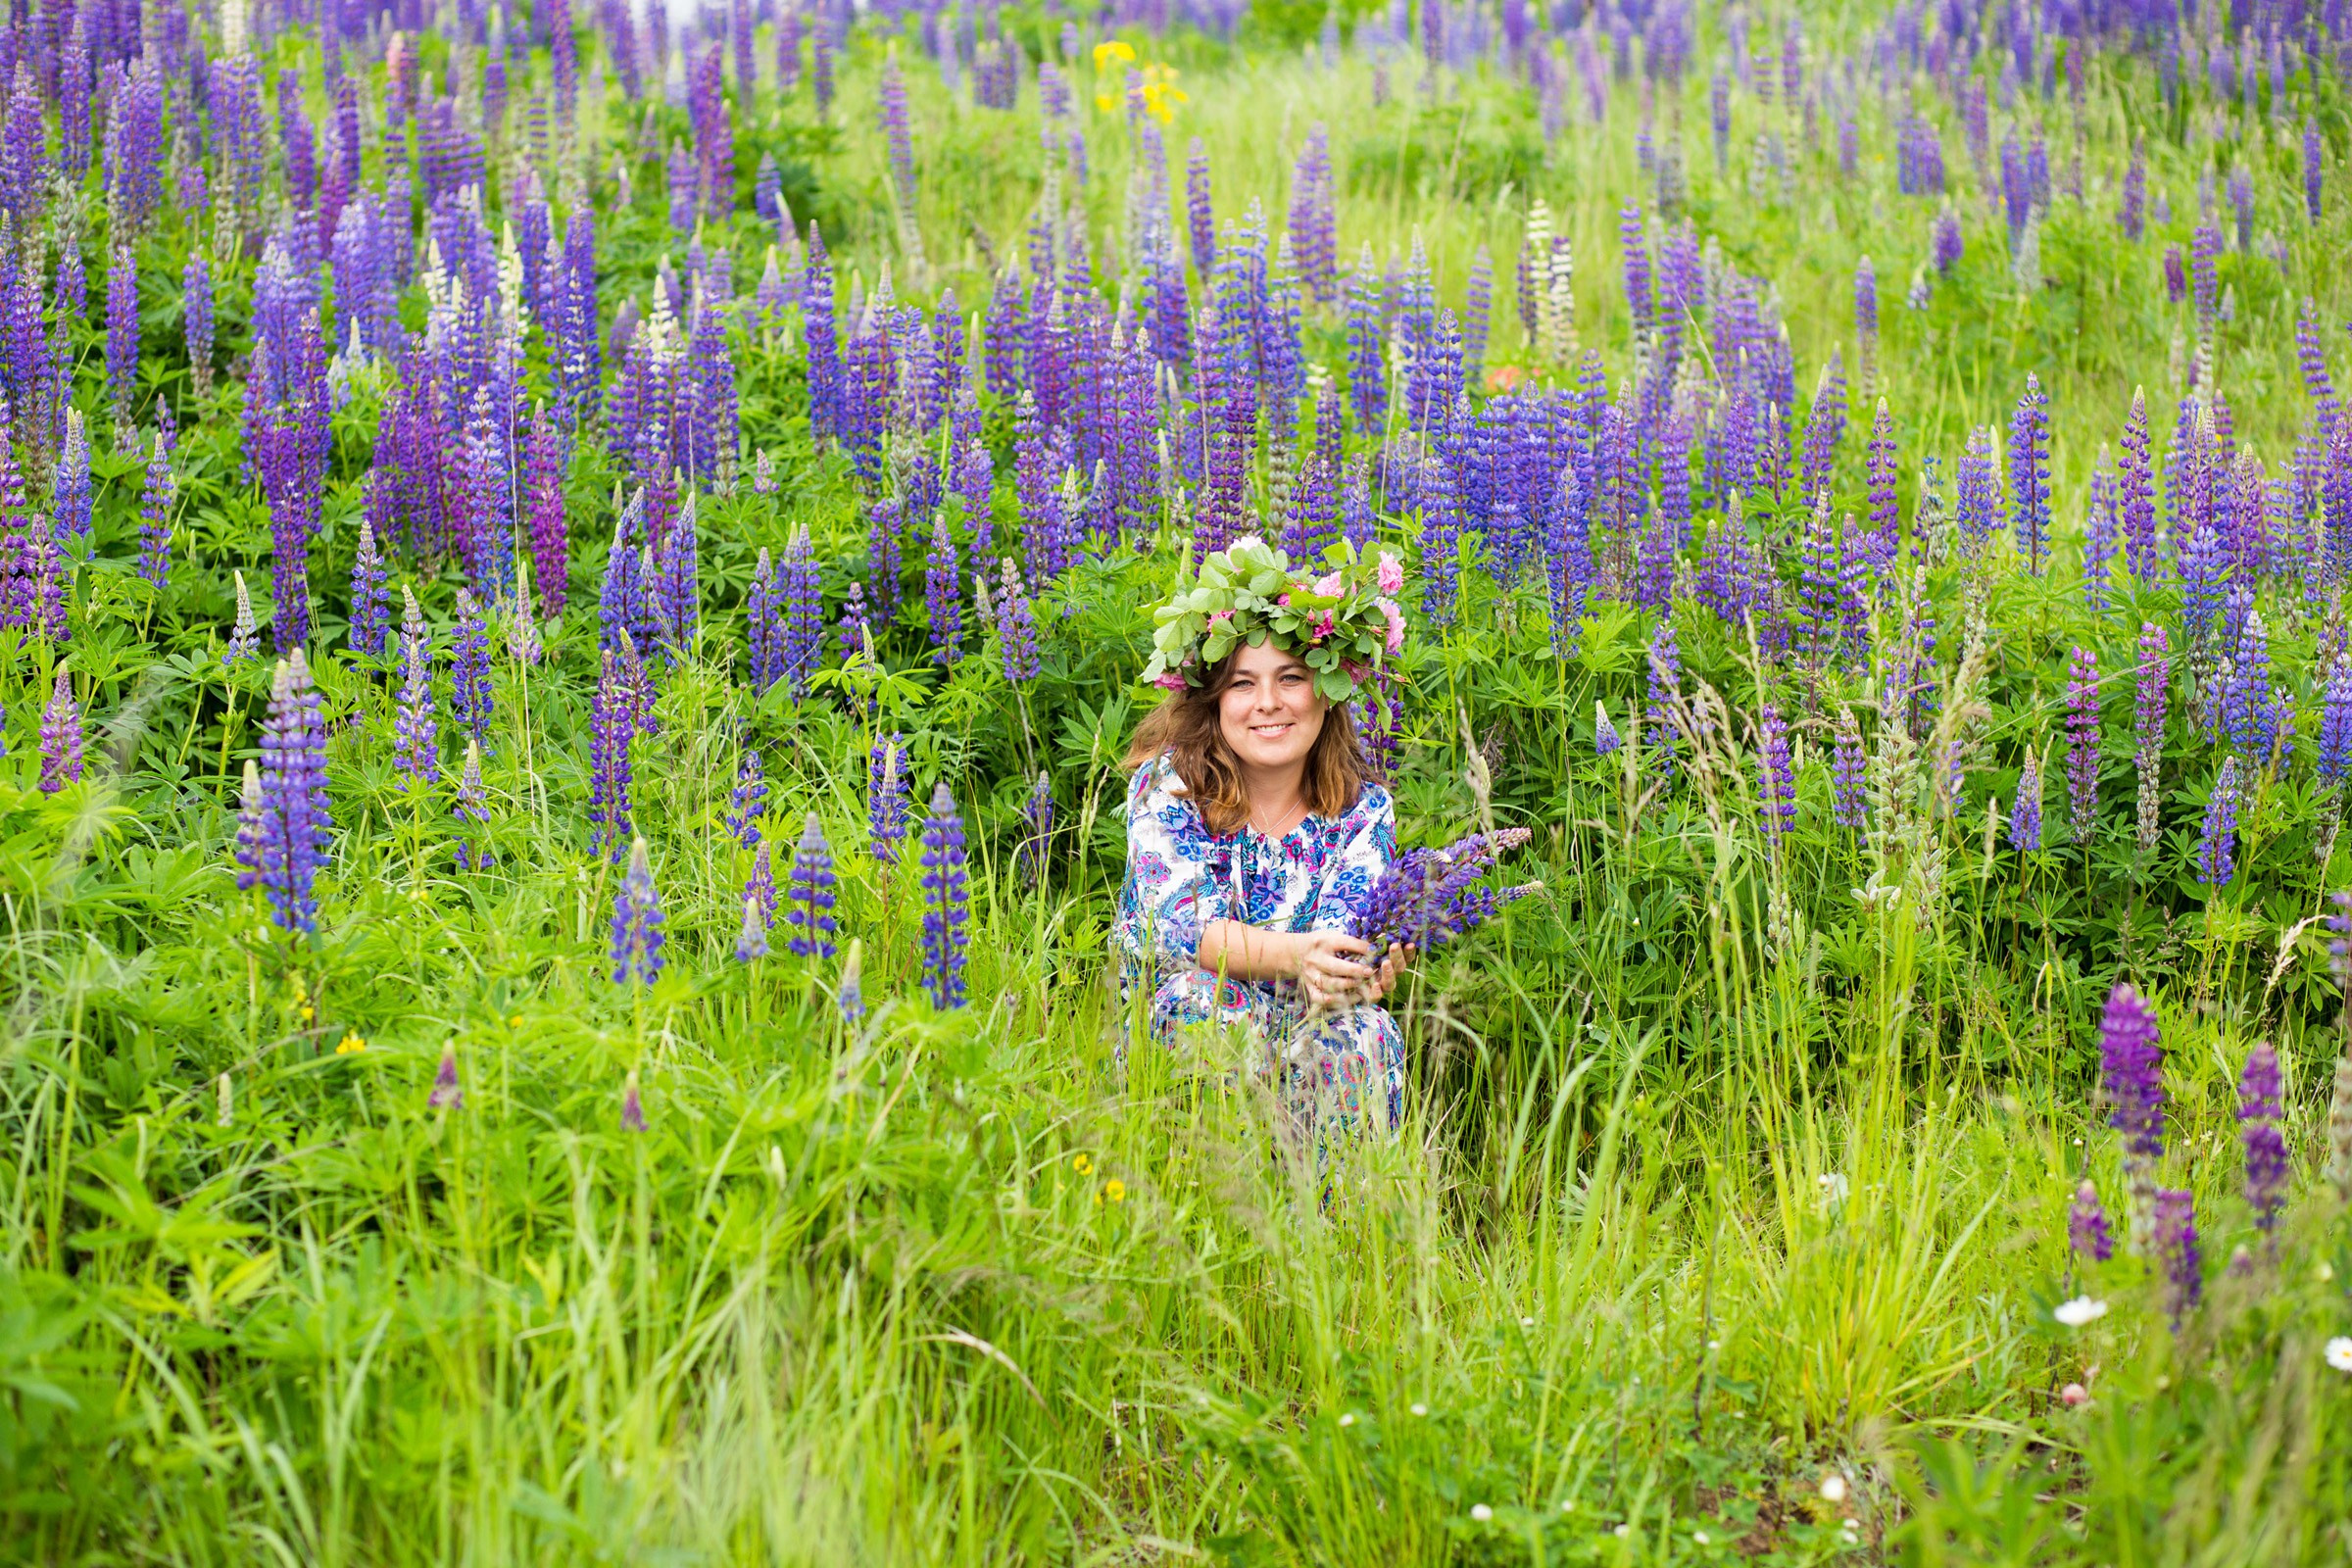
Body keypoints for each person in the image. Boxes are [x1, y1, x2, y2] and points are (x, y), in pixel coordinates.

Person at [1112, 536, 1411, 1135]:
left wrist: (1360, 970)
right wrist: (1305, 956)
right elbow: (1182, 929)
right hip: (1199, 1011)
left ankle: (1336, 1221)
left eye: (1291, 678)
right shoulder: (1169, 787)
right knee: (1203, 1009)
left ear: (1327, 692)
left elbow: (1345, 939)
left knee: (1364, 1034)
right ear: (1215, 700)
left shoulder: (1364, 811)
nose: (1268, 704)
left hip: (1308, 1024)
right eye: (1243, 683)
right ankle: (1205, 1211)